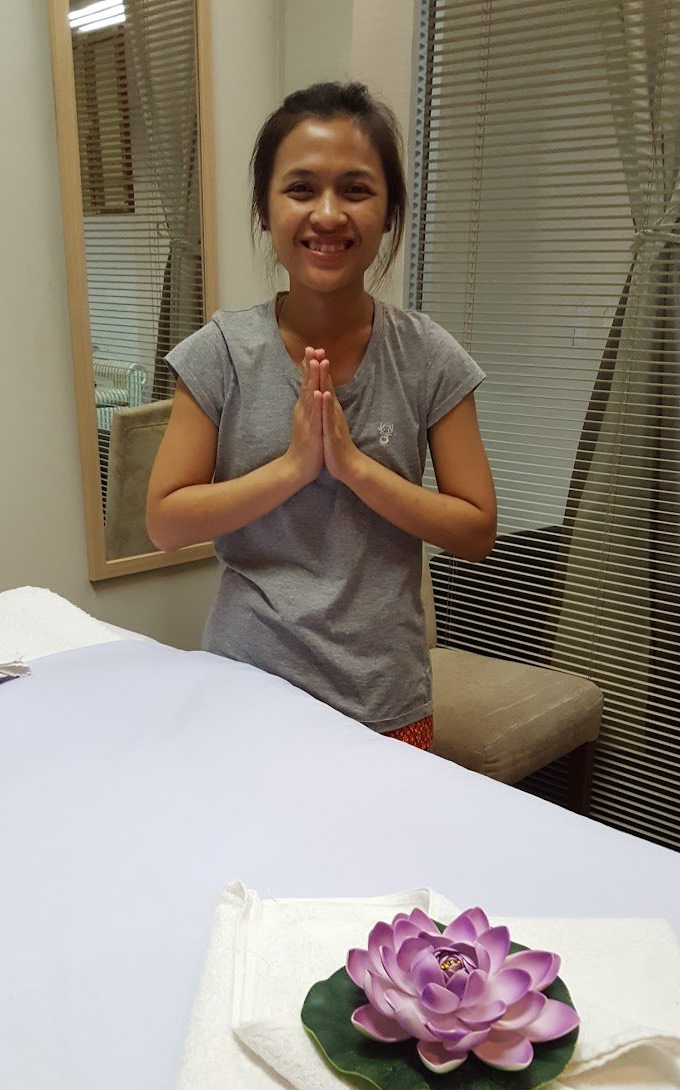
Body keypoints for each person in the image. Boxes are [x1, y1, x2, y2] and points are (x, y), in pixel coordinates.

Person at [146, 81, 496, 748]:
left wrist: (355, 467)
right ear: (265, 208)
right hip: (244, 689)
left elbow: (476, 530)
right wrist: (293, 468)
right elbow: (165, 522)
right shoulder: (221, 353)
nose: (328, 214)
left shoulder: (429, 357)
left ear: (389, 212)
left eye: (356, 189)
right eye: (302, 189)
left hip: (384, 702)